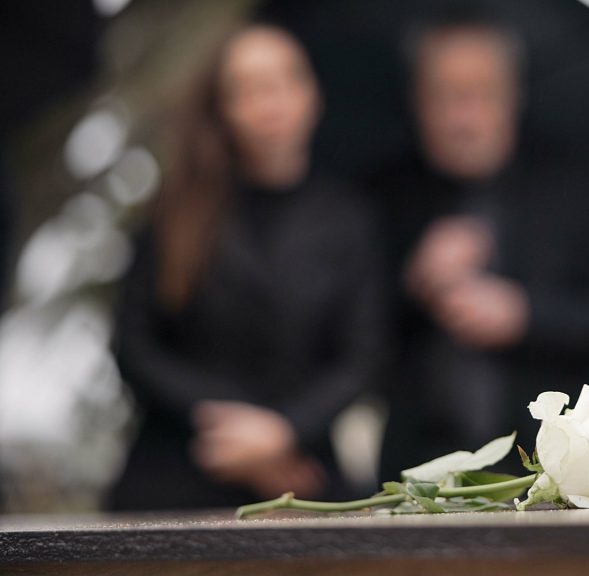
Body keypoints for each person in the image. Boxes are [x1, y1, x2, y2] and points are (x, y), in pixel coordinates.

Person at [108, 24, 384, 510]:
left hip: (299, 474)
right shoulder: (175, 211)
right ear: (223, 108)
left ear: (312, 94)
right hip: (177, 467)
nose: (269, 102)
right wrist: (227, 422)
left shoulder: (348, 219)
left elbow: (361, 356)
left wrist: (282, 429)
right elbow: (133, 344)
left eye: (284, 81)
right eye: (248, 88)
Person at [375, 8, 589, 478]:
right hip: (418, 467)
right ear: (416, 101)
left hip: (551, 466)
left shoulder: (578, 189)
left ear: (512, 96)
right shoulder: (385, 195)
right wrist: (413, 280)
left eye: (479, 95)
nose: (463, 118)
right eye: (445, 97)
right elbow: (347, 341)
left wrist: (525, 314)